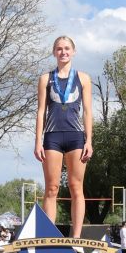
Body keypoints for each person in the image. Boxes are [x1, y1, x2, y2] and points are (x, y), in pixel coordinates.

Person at [34, 36, 94, 238]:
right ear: (54, 52)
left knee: (76, 187)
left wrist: (89, 140)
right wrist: (37, 141)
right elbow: (41, 111)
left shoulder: (83, 78)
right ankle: (49, 235)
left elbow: (87, 111)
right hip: (52, 136)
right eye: (59, 49)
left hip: (76, 136)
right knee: (52, 187)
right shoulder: (45, 78)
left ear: (73, 51)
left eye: (67, 48)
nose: (63, 52)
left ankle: (76, 237)